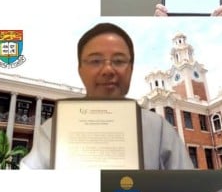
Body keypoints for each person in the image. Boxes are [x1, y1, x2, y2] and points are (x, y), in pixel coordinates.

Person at [19, 23, 193, 170]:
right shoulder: (53, 130)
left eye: (119, 61)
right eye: (95, 61)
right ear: (80, 70)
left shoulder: (158, 129)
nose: (108, 70)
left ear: (131, 69)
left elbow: (186, 187)